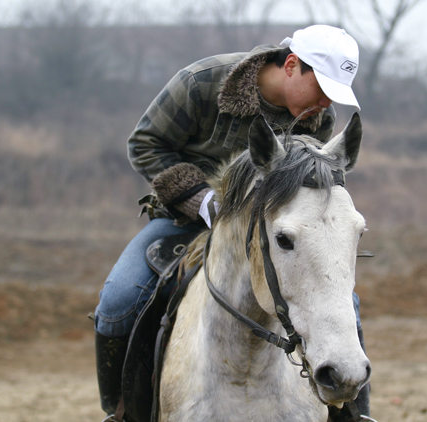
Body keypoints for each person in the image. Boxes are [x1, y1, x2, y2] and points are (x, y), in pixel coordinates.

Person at [94, 24, 370, 420]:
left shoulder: (316, 117)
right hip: (185, 220)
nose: (327, 103)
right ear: (291, 65)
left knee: (349, 304)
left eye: (334, 95)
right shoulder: (200, 83)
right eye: (323, 88)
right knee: (118, 300)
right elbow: (145, 144)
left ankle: (351, 413)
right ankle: (123, 411)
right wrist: (200, 200)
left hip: (274, 233)